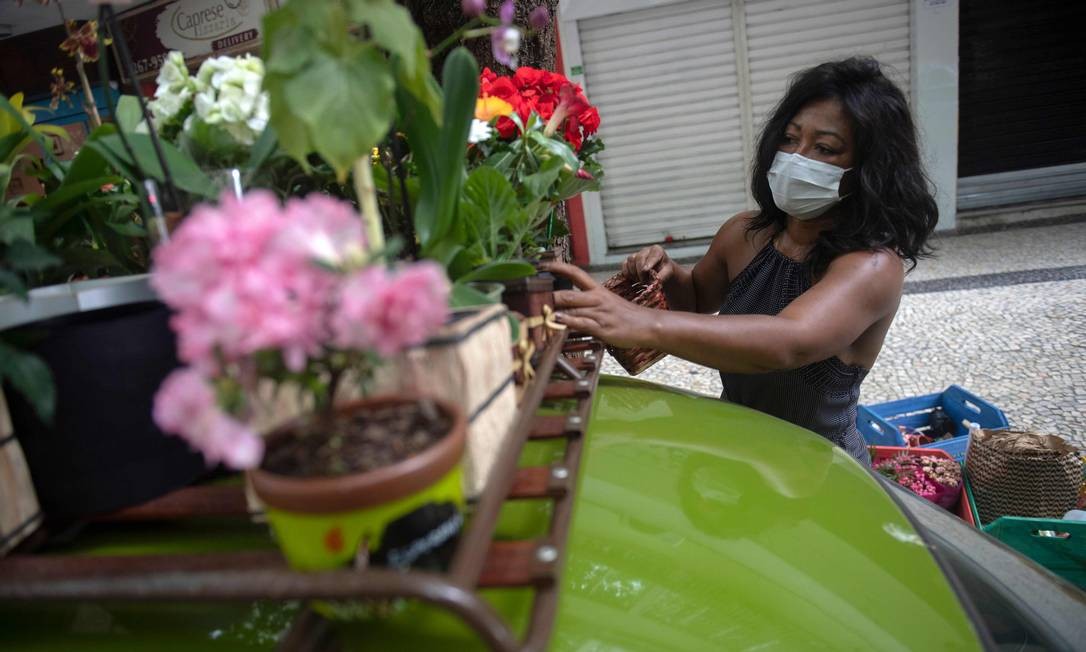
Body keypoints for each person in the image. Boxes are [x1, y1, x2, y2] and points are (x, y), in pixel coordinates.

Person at [543, 57, 938, 463]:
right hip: (738, 446)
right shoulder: (745, 232)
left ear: (870, 170)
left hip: (818, 468)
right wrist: (667, 277)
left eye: (824, 148)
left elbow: (790, 343)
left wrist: (642, 323)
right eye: (789, 139)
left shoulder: (871, 267)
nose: (796, 157)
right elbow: (697, 300)